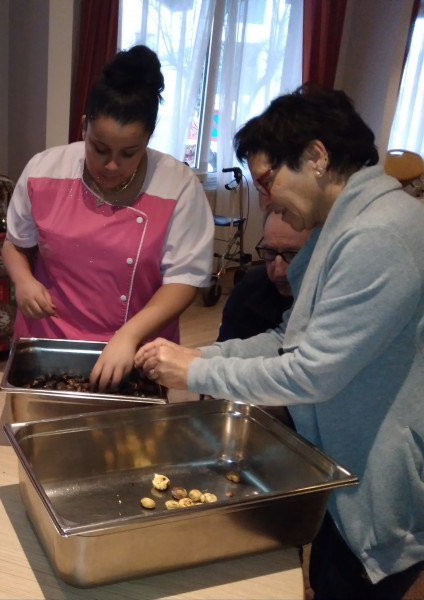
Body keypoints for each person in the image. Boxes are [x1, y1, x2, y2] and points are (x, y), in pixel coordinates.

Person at [135, 85, 424, 598]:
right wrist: (205, 353)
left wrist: (195, 372)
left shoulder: (379, 233)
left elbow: (311, 371)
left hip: (380, 475)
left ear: (316, 156)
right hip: (345, 458)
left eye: (267, 181)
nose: (265, 200)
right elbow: (288, 338)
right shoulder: (344, 225)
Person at [2, 45, 213, 391]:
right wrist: (23, 280)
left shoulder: (179, 188)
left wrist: (128, 336)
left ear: (148, 137)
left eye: (129, 153)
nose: (112, 165)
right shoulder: (44, 170)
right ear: (83, 127)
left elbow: (184, 281)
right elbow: (16, 245)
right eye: (99, 148)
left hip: (137, 345)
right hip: (50, 340)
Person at [217, 210, 311, 342]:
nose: (279, 271)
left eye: (292, 255)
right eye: (270, 252)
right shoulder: (249, 289)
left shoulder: (334, 295)